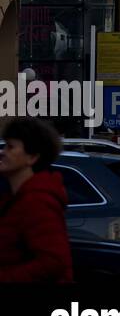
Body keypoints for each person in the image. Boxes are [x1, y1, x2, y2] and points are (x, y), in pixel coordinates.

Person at [0, 117, 73, 283]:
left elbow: (54, 262)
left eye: (10, 147)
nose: (3, 152)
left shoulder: (37, 201)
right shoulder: (15, 198)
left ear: (32, 157)